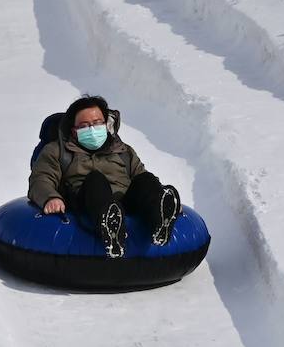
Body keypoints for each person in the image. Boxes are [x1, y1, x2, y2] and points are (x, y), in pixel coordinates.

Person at [27, 95, 182, 258]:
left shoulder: (123, 151)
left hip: (125, 201)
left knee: (146, 179)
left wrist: (156, 194)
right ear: (74, 130)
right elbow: (41, 179)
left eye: (97, 123)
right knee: (96, 179)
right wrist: (50, 198)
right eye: (85, 126)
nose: (92, 130)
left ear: (106, 125)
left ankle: (160, 219)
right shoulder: (57, 151)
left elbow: (140, 176)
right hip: (86, 201)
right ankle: (110, 229)